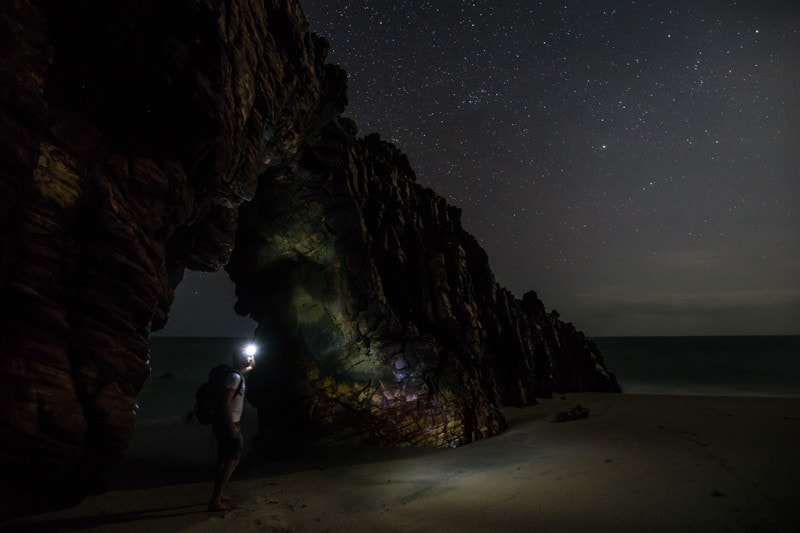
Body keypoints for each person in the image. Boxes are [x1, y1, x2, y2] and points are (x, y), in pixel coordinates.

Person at [208, 348, 256, 512]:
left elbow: (247, 370)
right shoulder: (235, 378)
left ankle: (218, 495)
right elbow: (226, 402)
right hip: (228, 424)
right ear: (241, 360)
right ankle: (216, 500)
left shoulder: (235, 374)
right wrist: (231, 426)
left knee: (223, 459)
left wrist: (251, 364)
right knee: (232, 461)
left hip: (224, 423)